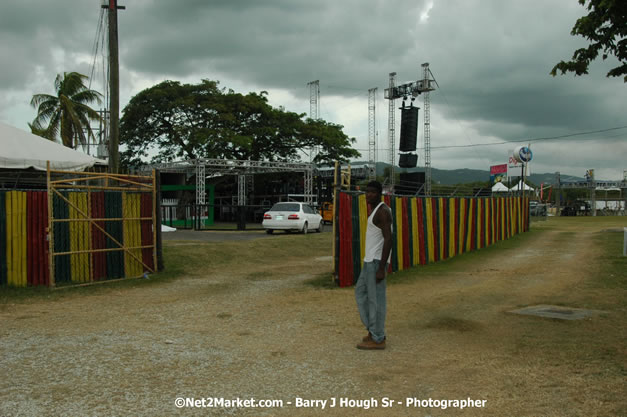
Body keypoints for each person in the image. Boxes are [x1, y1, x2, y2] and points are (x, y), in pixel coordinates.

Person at [355, 181, 392, 350]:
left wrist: (381, 268)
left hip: (376, 262)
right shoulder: (375, 211)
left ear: (379, 193)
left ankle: (378, 338)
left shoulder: (383, 212)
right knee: (361, 293)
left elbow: (389, 239)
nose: (368, 195)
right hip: (369, 260)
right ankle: (373, 330)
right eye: (367, 192)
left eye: (372, 192)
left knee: (376, 300)